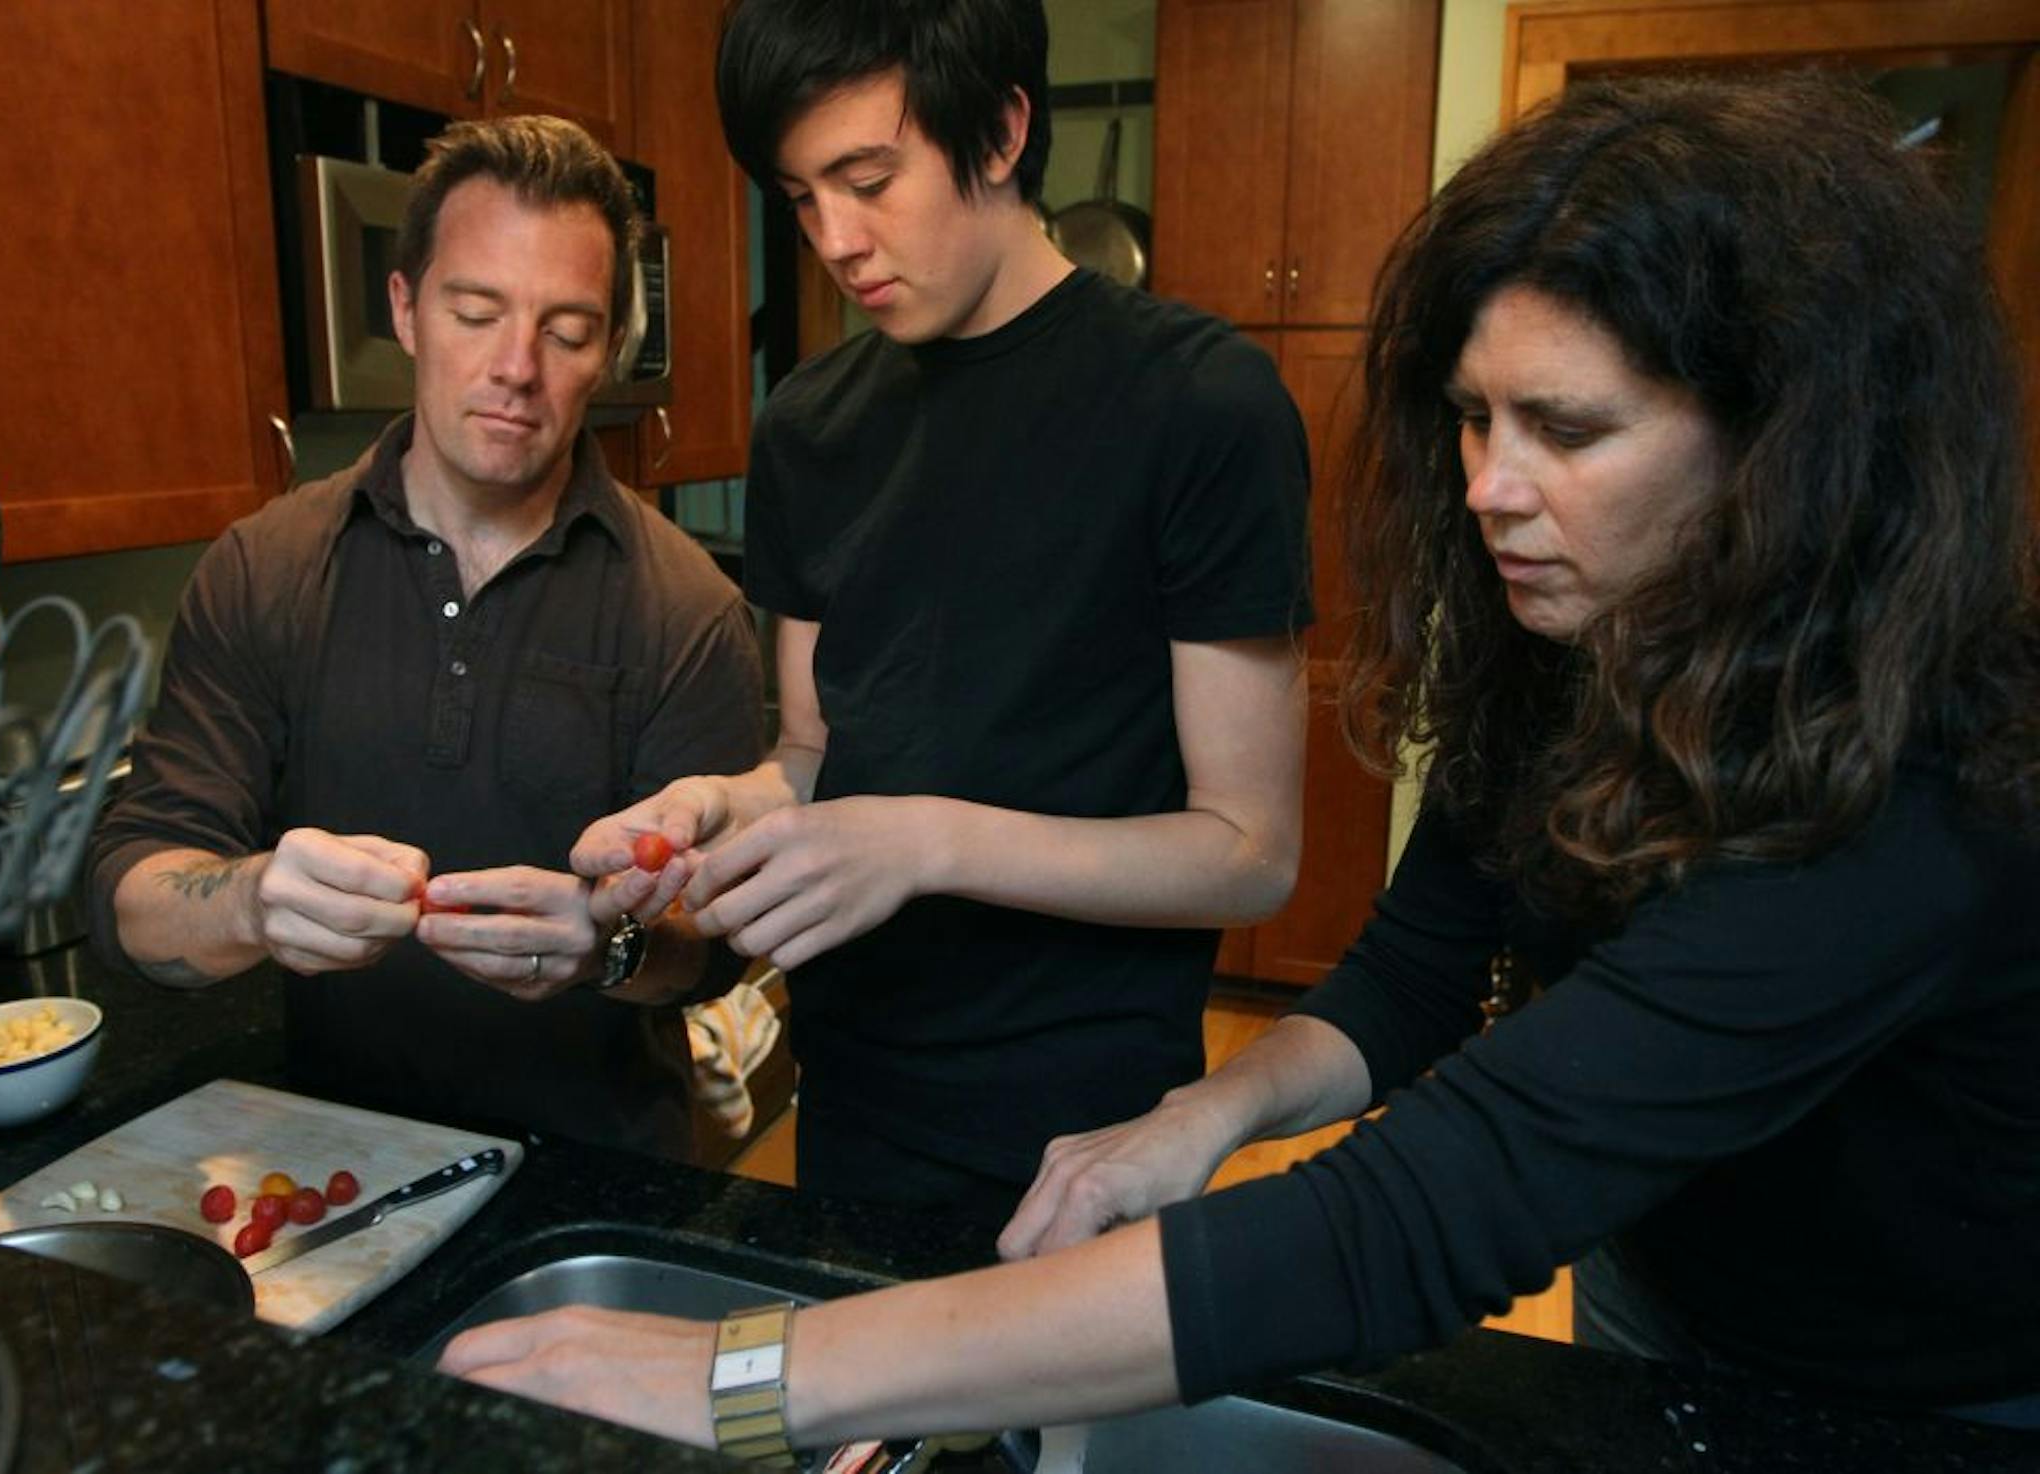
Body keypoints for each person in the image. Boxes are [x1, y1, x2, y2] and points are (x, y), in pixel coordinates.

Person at [440, 73, 2040, 1447]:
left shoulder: (1922, 796)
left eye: (1569, 430)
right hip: (1661, 1290)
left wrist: (746, 1379)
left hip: (1944, 1384)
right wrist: (1203, 1116)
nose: (1488, 487)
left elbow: (1419, 1211)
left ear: (1782, 453)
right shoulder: (1593, 656)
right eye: (1474, 419)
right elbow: (1416, 977)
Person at [564, 0, 1314, 1217]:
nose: (836, 239)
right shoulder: (810, 425)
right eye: (802, 197)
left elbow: (1248, 852)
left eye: (869, 178)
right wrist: (714, 805)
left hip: (1094, 1124)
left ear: (1004, 130)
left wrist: (923, 843)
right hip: (854, 1087)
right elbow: (813, 754)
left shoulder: (1201, 407)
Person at [86, 116, 765, 1155]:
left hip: (597, 1179)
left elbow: (713, 950)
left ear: (607, 354)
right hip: (330, 1162)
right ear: (406, 308)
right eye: (476, 310)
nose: (516, 367)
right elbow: (131, 898)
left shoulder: (686, 609)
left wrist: (607, 946)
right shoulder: (264, 569)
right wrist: (255, 903)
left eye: (568, 331)